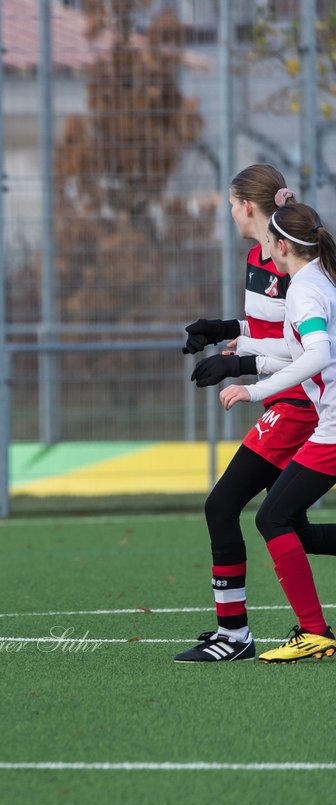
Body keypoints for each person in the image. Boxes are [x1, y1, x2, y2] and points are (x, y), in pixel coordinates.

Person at [174, 165, 318, 663]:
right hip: (289, 395)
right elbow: (270, 323)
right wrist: (221, 328)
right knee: (289, 524)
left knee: (223, 505)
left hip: (300, 401)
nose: (229, 212)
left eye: (232, 204)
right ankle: (242, 633)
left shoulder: (289, 258)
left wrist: (239, 362)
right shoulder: (261, 254)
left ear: (248, 207)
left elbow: (300, 339)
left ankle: (233, 634)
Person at [220, 201, 336, 663]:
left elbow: (316, 354)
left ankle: (315, 632)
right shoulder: (320, 278)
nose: (263, 248)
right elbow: (295, 350)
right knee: (285, 521)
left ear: (283, 245)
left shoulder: (305, 289)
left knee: (272, 518)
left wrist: (254, 391)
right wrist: (244, 353)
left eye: (269, 241)